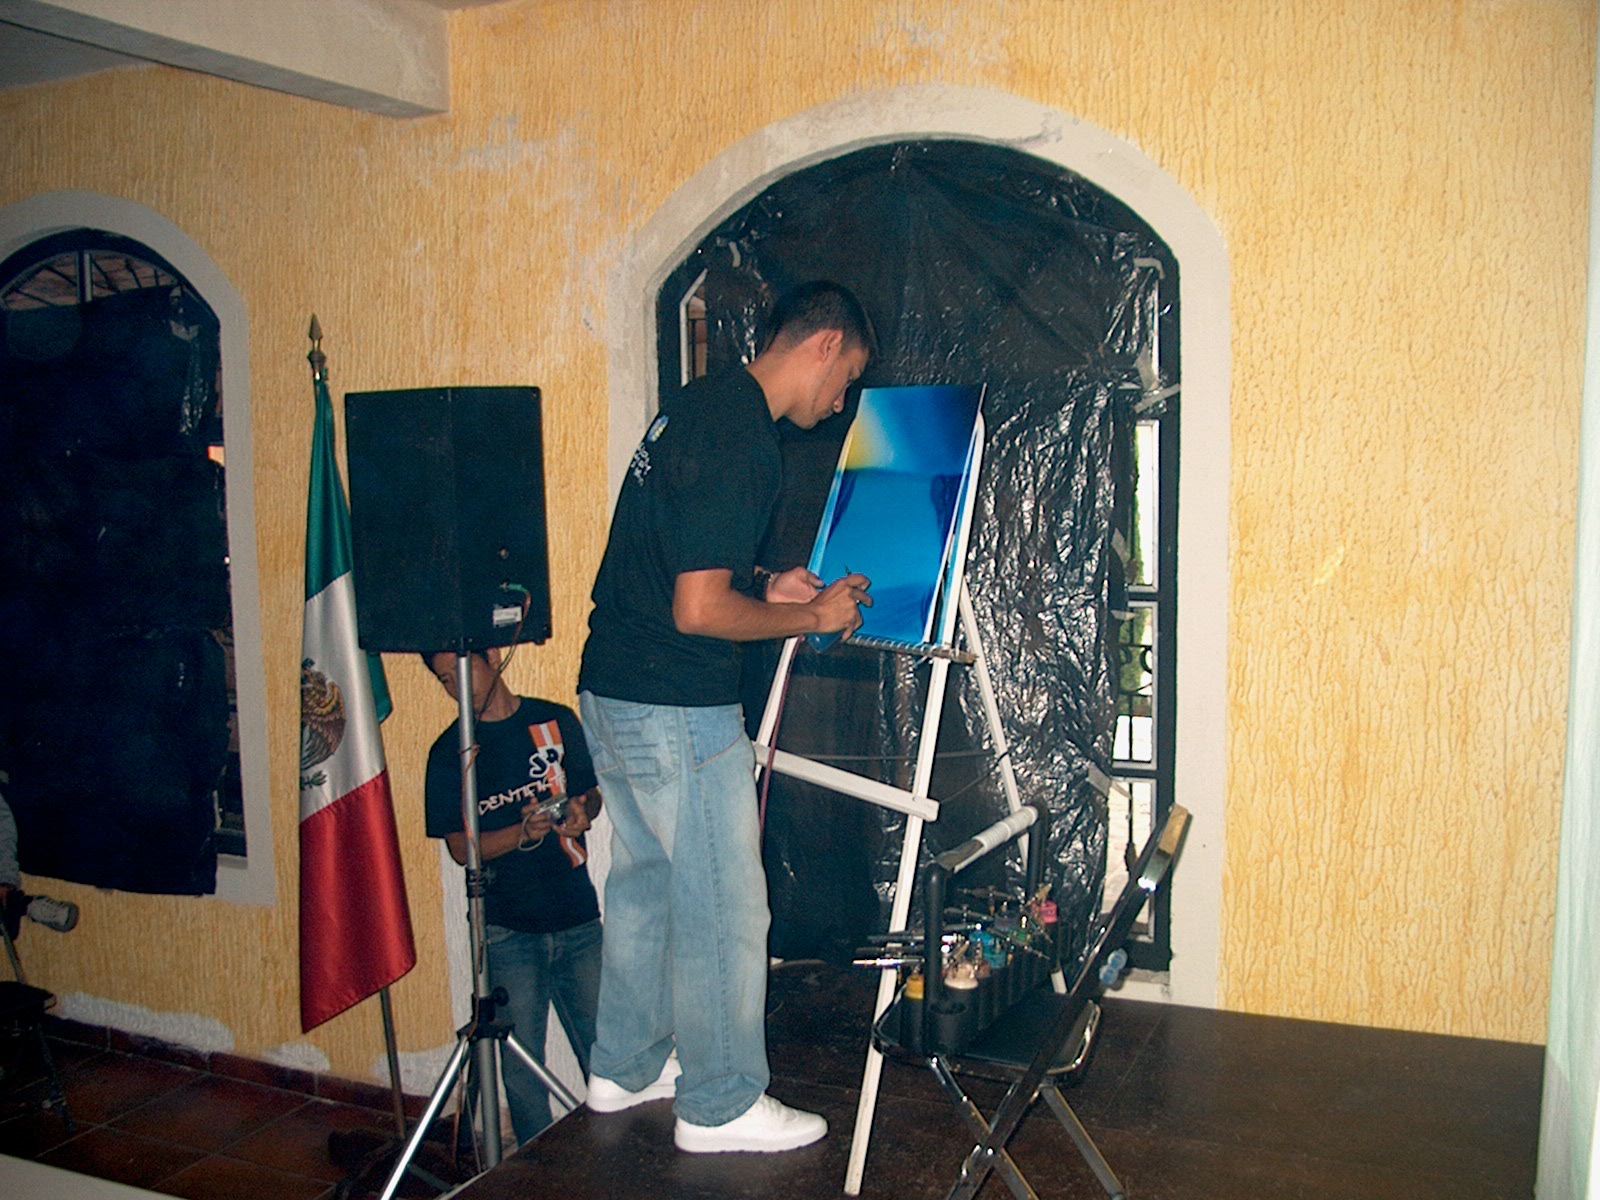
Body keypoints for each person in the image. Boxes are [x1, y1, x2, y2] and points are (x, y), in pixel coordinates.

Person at [577, 280, 876, 1154]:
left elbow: (686, 565)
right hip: (676, 705)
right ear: (824, 344)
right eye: (847, 379)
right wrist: (810, 615)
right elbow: (699, 610)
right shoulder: (746, 438)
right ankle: (719, 1104)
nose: (841, 401)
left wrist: (767, 585)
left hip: (615, 689)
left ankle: (623, 1068)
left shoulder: (700, 406)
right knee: (725, 906)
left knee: (646, 888)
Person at [421, 647, 603, 1145]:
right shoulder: (450, 752)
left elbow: (589, 794)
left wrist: (582, 812)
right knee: (522, 1070)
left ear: (494, 658)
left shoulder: (554, 721)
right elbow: (461, 849)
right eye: (444, 680)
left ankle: (619, 1159)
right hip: (507, 931)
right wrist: (522, 833)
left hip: (578, 917)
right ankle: (536, 1170)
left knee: (606, 1054)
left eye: (462, 671)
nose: (457, 687)